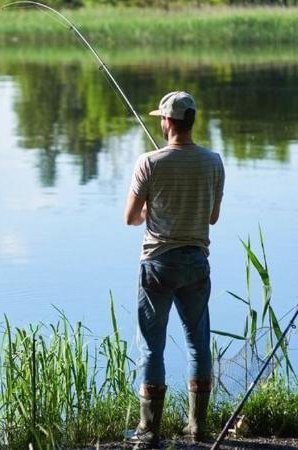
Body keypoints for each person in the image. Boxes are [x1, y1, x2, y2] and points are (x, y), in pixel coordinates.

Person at [123, 91, 225, 447]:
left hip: (157, 265)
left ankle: (148, 431)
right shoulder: (213, 162)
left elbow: (130, 218)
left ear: (167, 122)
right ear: (192, 121)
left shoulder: (148, 162)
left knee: (153, 348)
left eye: (161, 118)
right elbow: (212, 216)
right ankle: (197, 427)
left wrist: (156, 207)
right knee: (199, 346)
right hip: (196, 262)